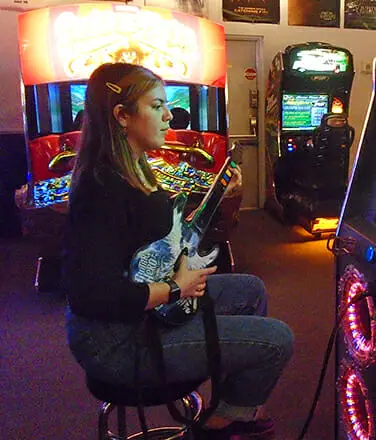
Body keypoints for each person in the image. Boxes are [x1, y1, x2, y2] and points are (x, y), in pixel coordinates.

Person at [62, 63, 294, 440]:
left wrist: (218, 195)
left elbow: (169, 240)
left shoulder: (134, 169)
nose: (170, 115)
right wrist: (174, 288)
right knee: (278, 340)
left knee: (251, 291)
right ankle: (225, 423)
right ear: (122, 116)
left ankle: (230, 408)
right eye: (157, 106)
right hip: (117, 343)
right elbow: (90, 295)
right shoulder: (101, 190)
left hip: (146, 311)